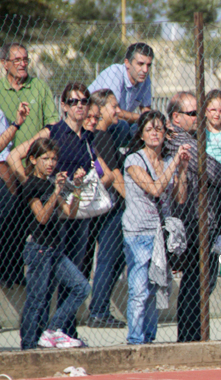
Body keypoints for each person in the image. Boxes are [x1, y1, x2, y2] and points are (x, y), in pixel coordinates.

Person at [8, 82, 120, 342]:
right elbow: (15, 156)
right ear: (64, 106)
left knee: (75, 278)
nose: (79, 106)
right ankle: (36, 337)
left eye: (84, 101)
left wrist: (84, 186)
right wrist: (34, 187)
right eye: (73, 101)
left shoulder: (88, 138)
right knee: (45, 284)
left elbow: (107, 174)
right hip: (51, 218)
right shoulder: (54, 131)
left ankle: (63, 332)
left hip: (75, 214)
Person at [164, 91, 221, 343]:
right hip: (192, 222)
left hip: (205, 220)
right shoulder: (178, 138)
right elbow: (211, 168)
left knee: (203, 281)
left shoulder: (197, 137)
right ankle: (189, 337)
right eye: (192, 113)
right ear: (176, 117)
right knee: (195, 282)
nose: (198, 117)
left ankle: (195, 335)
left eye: (199, 112)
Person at [122, 111, 190, 345]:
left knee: (154, 289)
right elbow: (154, 189)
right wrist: (174, 164)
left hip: (159, 234)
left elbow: (180, 197)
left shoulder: (168, 161)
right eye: (149, 129)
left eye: (159, 129)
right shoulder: (133, 161)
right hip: (138, 233)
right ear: (141, 134)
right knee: (139, 290)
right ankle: (135, 339)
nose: (154, 133)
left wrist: (182, 169)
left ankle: (149, 338)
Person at [18, 138, 91, 350]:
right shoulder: (31, 185)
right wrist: (57, 192)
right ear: (33, 159)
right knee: (37, 299)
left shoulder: (50, 184)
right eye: (45, 158)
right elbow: (41, 216)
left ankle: (52, 331)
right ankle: (28, 345)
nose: (51, 163)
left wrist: (77, 188)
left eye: (53, 159)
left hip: (55, 250)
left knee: (81, 287)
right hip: (39, 248)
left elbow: (71, 212)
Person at [0, 42, 59, 288]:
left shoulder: (39, 87)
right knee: (9, 218)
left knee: (28, 223)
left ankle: (19, 274)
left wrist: (30, 150)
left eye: (25, 59)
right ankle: (7, 273)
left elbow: (53, 123)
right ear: (4, 64)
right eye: (17, 60)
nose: (23, 64)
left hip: (35, 168)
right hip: (7, 168)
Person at [83, 90, 128, 328]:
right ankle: (98, 311)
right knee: (109, 259)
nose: (118, 110)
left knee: (114, 259)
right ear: (100, 110)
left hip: (108, 209)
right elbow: (115, 175)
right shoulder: (101, 137)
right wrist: (133, 202)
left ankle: (100, 308)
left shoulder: (104, 136)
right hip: (111, 209)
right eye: (113, 106)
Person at [88, 42, 154, 145]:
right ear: (127, 63)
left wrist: (151, 121)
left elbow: (146, 111)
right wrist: (142, 118)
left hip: (118, 120)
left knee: (144, 128)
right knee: (122, 126)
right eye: (140, 64)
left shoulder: (145, 78)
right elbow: (115, 112)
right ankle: (109, 154)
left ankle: (132, 155)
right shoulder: (114, 73)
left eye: (148, 65)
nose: (145, 70)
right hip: (94, 120)